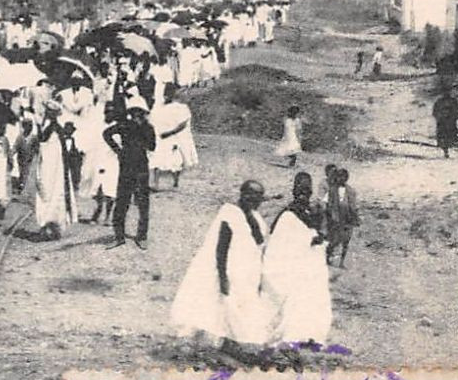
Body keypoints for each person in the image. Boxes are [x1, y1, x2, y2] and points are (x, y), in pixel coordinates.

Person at [168, 180, 272, 352]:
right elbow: (220, 249)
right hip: (230, 270)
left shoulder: (255, 217)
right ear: (243, 195)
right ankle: (225, 341)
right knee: (224, 305)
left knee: (241, 306)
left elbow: (259, 241)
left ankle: (231, 341)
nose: (257, 202)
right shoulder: (230, 215)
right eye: (253, 197)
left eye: (259, 198)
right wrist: (223, 277)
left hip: (246, 272)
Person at [262, 172, 333, 348]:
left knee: (310, 298)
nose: (303, 194)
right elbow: (277, 244)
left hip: (308, 267)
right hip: (292, 268)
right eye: (300, 190)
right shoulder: (288, 214)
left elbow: (320, 232)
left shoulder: (311, 212)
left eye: (307, 190)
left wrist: (317, 239)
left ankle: (308, 333)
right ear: (294, 191)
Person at [103, 104, 156, 249]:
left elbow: (152, 146)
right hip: (127, 166)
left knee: (142, 202)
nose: (136, 117)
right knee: (122, 201)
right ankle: (119, 236)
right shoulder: (124, 125)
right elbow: (106, 133)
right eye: (134, 114)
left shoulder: (147, 128)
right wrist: (118, 150)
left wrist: (141, 140)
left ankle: (141, 236)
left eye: (139, 114)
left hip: (139, 166)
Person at [30, 108, 77, 240]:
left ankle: (51, 227)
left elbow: (44, 139)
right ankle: (46, 227)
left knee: (53, 193)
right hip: (47, 165)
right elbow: (41, 141)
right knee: (47, 192)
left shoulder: (54, 127)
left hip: (54, 166)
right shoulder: (50, 126)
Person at [149, 94, 198, 190]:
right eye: (165, 94)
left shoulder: (180, 108)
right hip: (161, 136)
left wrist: (170, 132)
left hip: (172, 136)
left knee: (175, 159)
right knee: (156, 159)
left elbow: (182, 125)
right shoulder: (159, 107)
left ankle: (175, 181)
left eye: (168, 94)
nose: (166, 97)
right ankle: (155, 184)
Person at [322, 168, 360, 267]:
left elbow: (354, 205)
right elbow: (327, 203)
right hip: (335, 218)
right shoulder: (332, 190)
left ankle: (341, 262)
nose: (341, 179)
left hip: (347, 218)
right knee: (334, 240)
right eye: (339, 177)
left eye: (343, 177)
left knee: (346, 241)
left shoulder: (351, 191)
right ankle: (327, 258)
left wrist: (355, 216)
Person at [433, 90, 458, 158]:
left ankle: (450, 148)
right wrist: (439, 117)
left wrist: (453, 117)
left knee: (451, 135)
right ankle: (443, 149)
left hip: (450, 121)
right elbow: (435, 111)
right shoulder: (439, 101)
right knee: (442, 135)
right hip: (442, 121)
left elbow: (457, 110)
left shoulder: (453, 101)